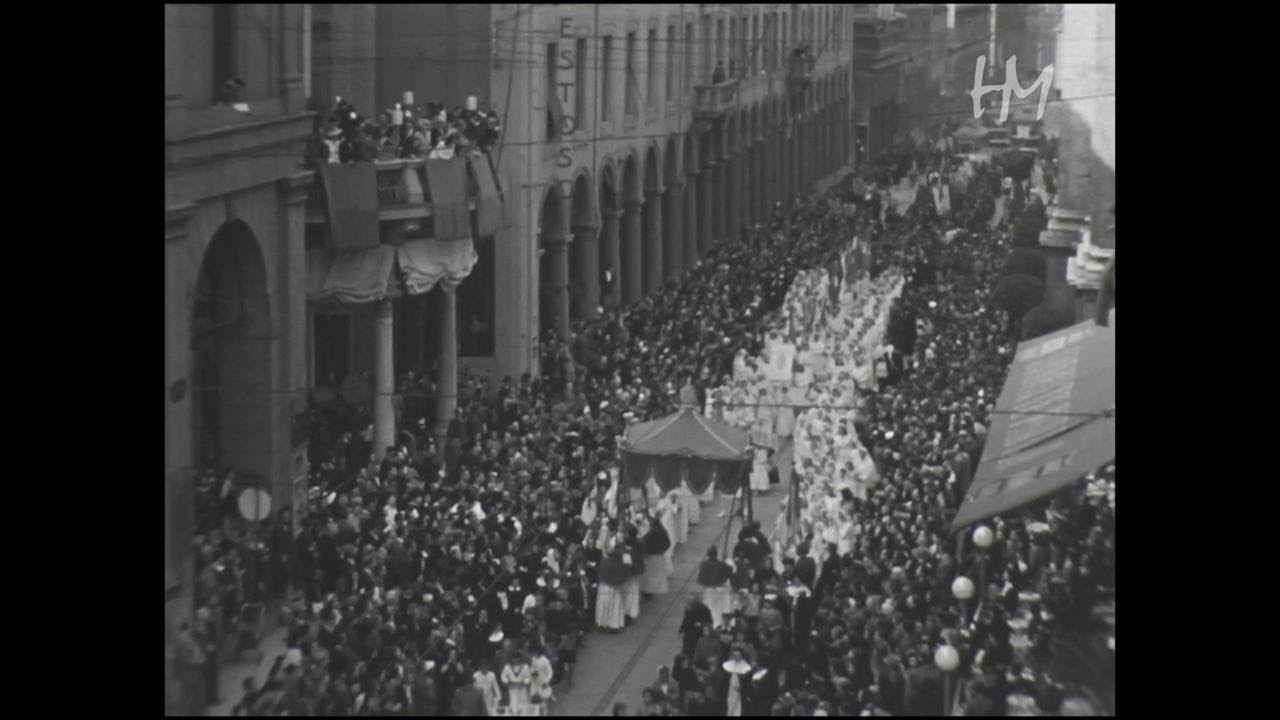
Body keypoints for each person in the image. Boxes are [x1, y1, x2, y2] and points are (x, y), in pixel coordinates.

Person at [697, 547, 734, 628]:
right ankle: (726, 627)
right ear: (717, 554)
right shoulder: (721, 563)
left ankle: (715, 626)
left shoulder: (705, 565)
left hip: (711, 590)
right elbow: (731, 571)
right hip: (723, 588)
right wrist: (725, 560)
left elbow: (700, 580)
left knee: (713, 610)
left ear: (708, 555)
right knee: (725, 608)